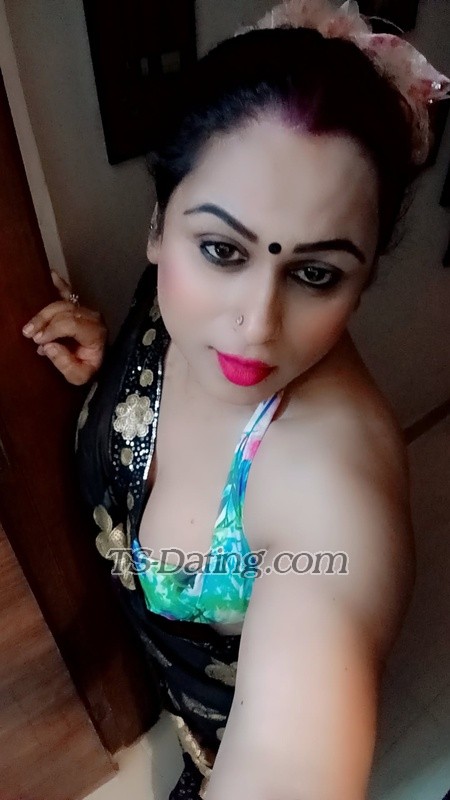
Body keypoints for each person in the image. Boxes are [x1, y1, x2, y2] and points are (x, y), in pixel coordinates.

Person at [21, 1, 450, 798]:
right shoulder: (170, 303)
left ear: (362, 282)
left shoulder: (332, 498)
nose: (256, 325)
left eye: (316, 274)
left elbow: (291, 764)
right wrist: (111, 369)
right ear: (159, 226)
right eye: (222, 250)